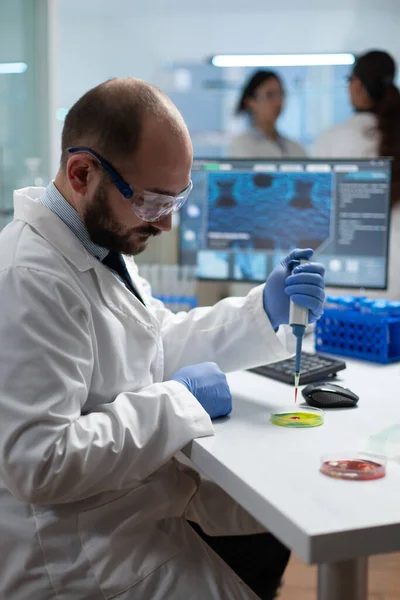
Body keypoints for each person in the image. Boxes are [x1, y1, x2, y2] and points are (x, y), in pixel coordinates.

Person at [0, 78, 325, 600]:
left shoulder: (97, 244)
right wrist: (179, 400)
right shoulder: (28, 277)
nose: (169, 223)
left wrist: (261, 313)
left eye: (179, 199)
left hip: (130, 508)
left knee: (274, 520)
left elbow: (153, 342)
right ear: (82, 173)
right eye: (153, 201)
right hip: (80, 556)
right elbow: (40, 463)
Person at [314, 50, 400, 299]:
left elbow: (318, 209)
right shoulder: (394, 135)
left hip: (348, 277)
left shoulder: (332, 139)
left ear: (357, 85)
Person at [228, 70, 307, 158]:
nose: (278, 102)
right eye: (269, 95)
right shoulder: (241, 145)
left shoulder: (296, 148)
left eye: (281, 94)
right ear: (250, 102)